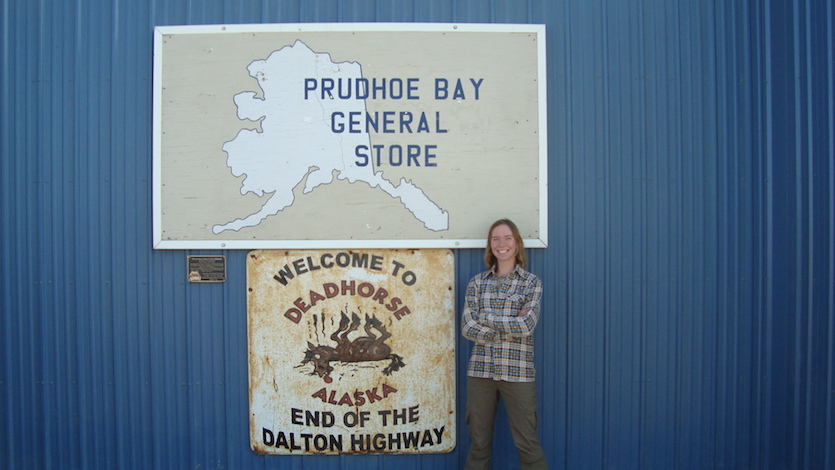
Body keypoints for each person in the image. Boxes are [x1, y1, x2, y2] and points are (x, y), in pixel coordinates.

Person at [462, 218, 548, 470]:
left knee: (527, 443)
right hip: (480, 372)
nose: (502, 244)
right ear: (490, 245)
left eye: (507, 238)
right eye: (496, 239)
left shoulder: (531, 282)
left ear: (517, 242)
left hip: (518, 373)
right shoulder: (477, 282)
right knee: (478, 444)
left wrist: (486, 320)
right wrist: (508, 325)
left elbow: (526, 326)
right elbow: (467, 326)